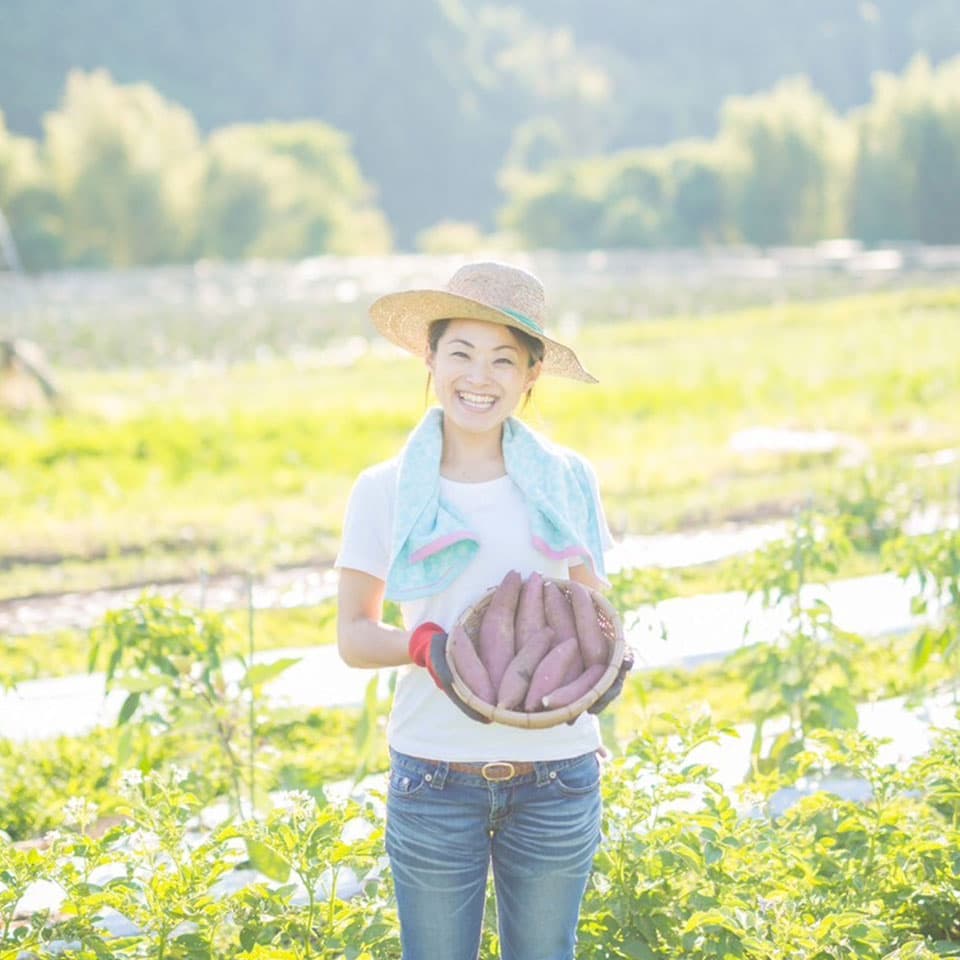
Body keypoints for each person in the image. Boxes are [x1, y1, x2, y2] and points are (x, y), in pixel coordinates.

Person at [335, 261, 631, 960]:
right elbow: (352, 636)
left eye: (504, 359)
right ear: (430, 360)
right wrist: (423, 647)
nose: (480, 376)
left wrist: (613, 659)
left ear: (531, 375)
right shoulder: (383, 490)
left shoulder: (567, 478)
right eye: (461, 353)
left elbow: (593, 614)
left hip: (558, 774)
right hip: (434, 775)